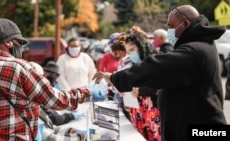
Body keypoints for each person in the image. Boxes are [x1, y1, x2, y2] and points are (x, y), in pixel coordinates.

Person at [93, 5, 227, 141]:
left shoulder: (192, 51)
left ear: (185, 24)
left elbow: (155, 68)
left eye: (171, 26)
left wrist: (115, 77)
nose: (169, 30)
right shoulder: (201, 45)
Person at [0, 18, 105, 140]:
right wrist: (87, 92)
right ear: (8, 43)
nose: (21, 49)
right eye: (19, 43)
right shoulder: (19, 68)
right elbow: (54, 99)